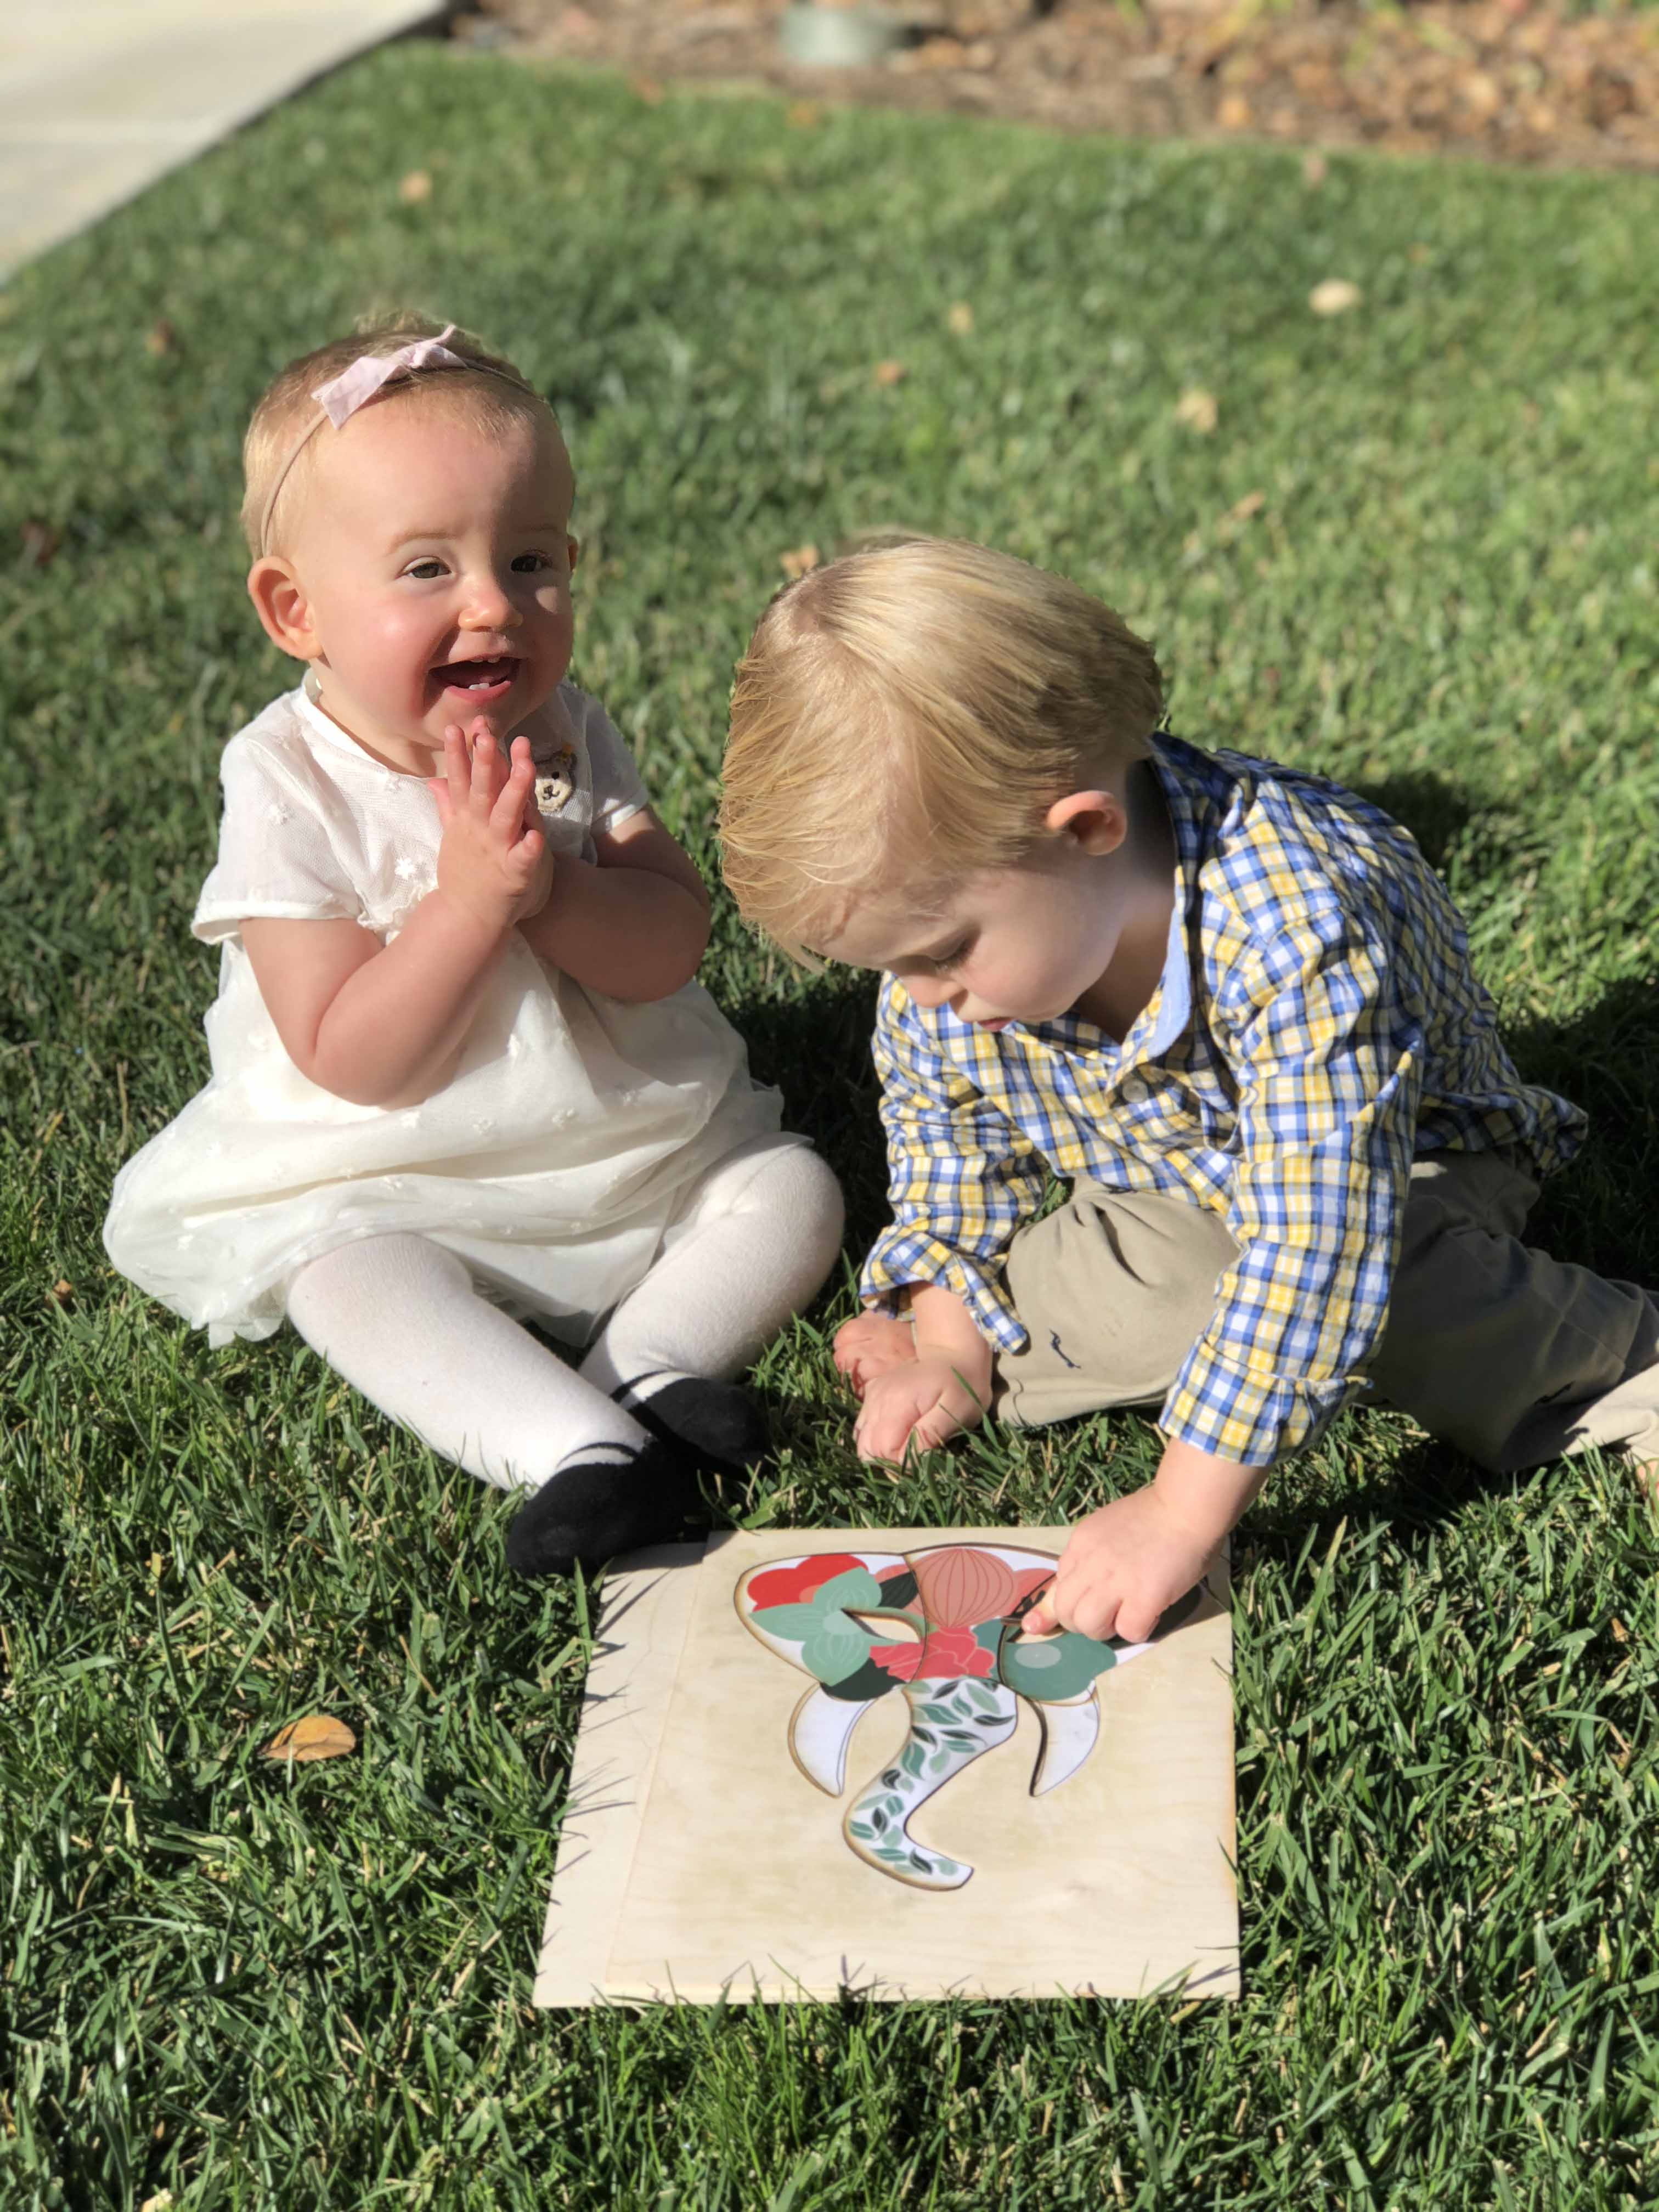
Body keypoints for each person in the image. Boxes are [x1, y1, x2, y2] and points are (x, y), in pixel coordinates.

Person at [719, 535, 1659, 1644]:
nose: (920, 999)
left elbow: (1319, 1241)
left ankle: (1623, 1367)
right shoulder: (969, 955)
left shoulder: (1297, 920)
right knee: (1117, 1300)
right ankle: (991, 1333)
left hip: (1401, 1177)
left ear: (1086, 831)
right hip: (1170, 1195)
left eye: (940, 955)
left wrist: (1178, 1510)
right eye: (891, 969)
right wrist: (946, 1325)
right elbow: (951, 1140)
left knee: (1377, 1296)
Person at [105, 315, 843, 1577]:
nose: (496, 605)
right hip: (392, 1167)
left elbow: (670, 939)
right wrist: (464, 907)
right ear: (297, 611)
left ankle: (652, 1367)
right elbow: (351, 1056)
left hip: (628, 1138)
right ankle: (574, 1452)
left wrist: (552, 895)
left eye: (531, 559)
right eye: (427, 570)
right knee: (346, 1280)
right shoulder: (287, 777)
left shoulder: (566, 731)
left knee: (791, 1190)